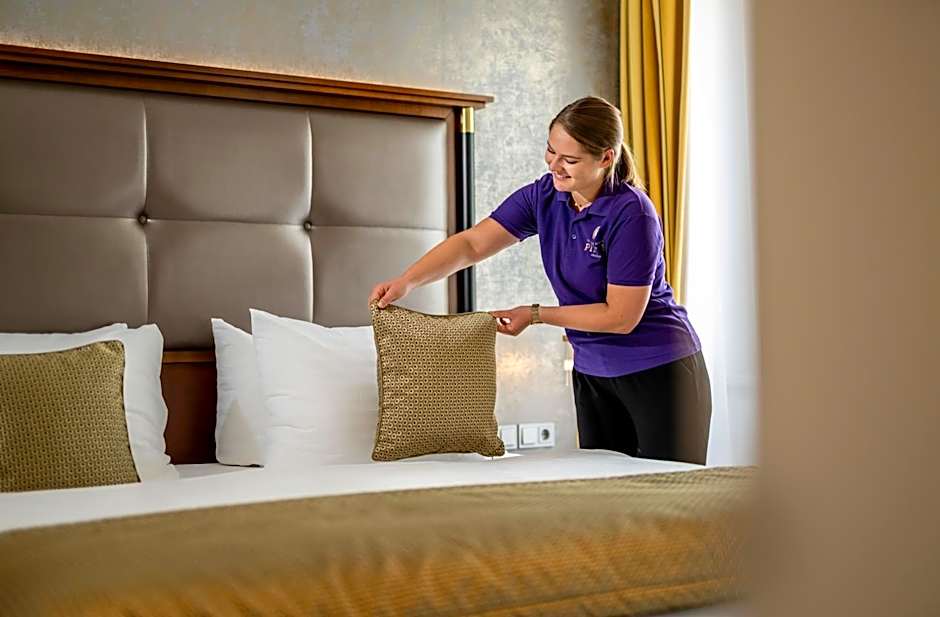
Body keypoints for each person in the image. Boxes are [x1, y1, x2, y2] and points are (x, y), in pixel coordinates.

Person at [368, 96, 711, 465]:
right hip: (592, 373)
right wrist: (407, 281)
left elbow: (621, 317)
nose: (554, 165)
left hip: (660, 370)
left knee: (672, 493)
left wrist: (535, 314)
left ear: (606, 158)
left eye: (569, 159)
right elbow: (472, 244)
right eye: (551, 151)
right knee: (604, 495)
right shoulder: (545, 196)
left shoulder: (632, 213)